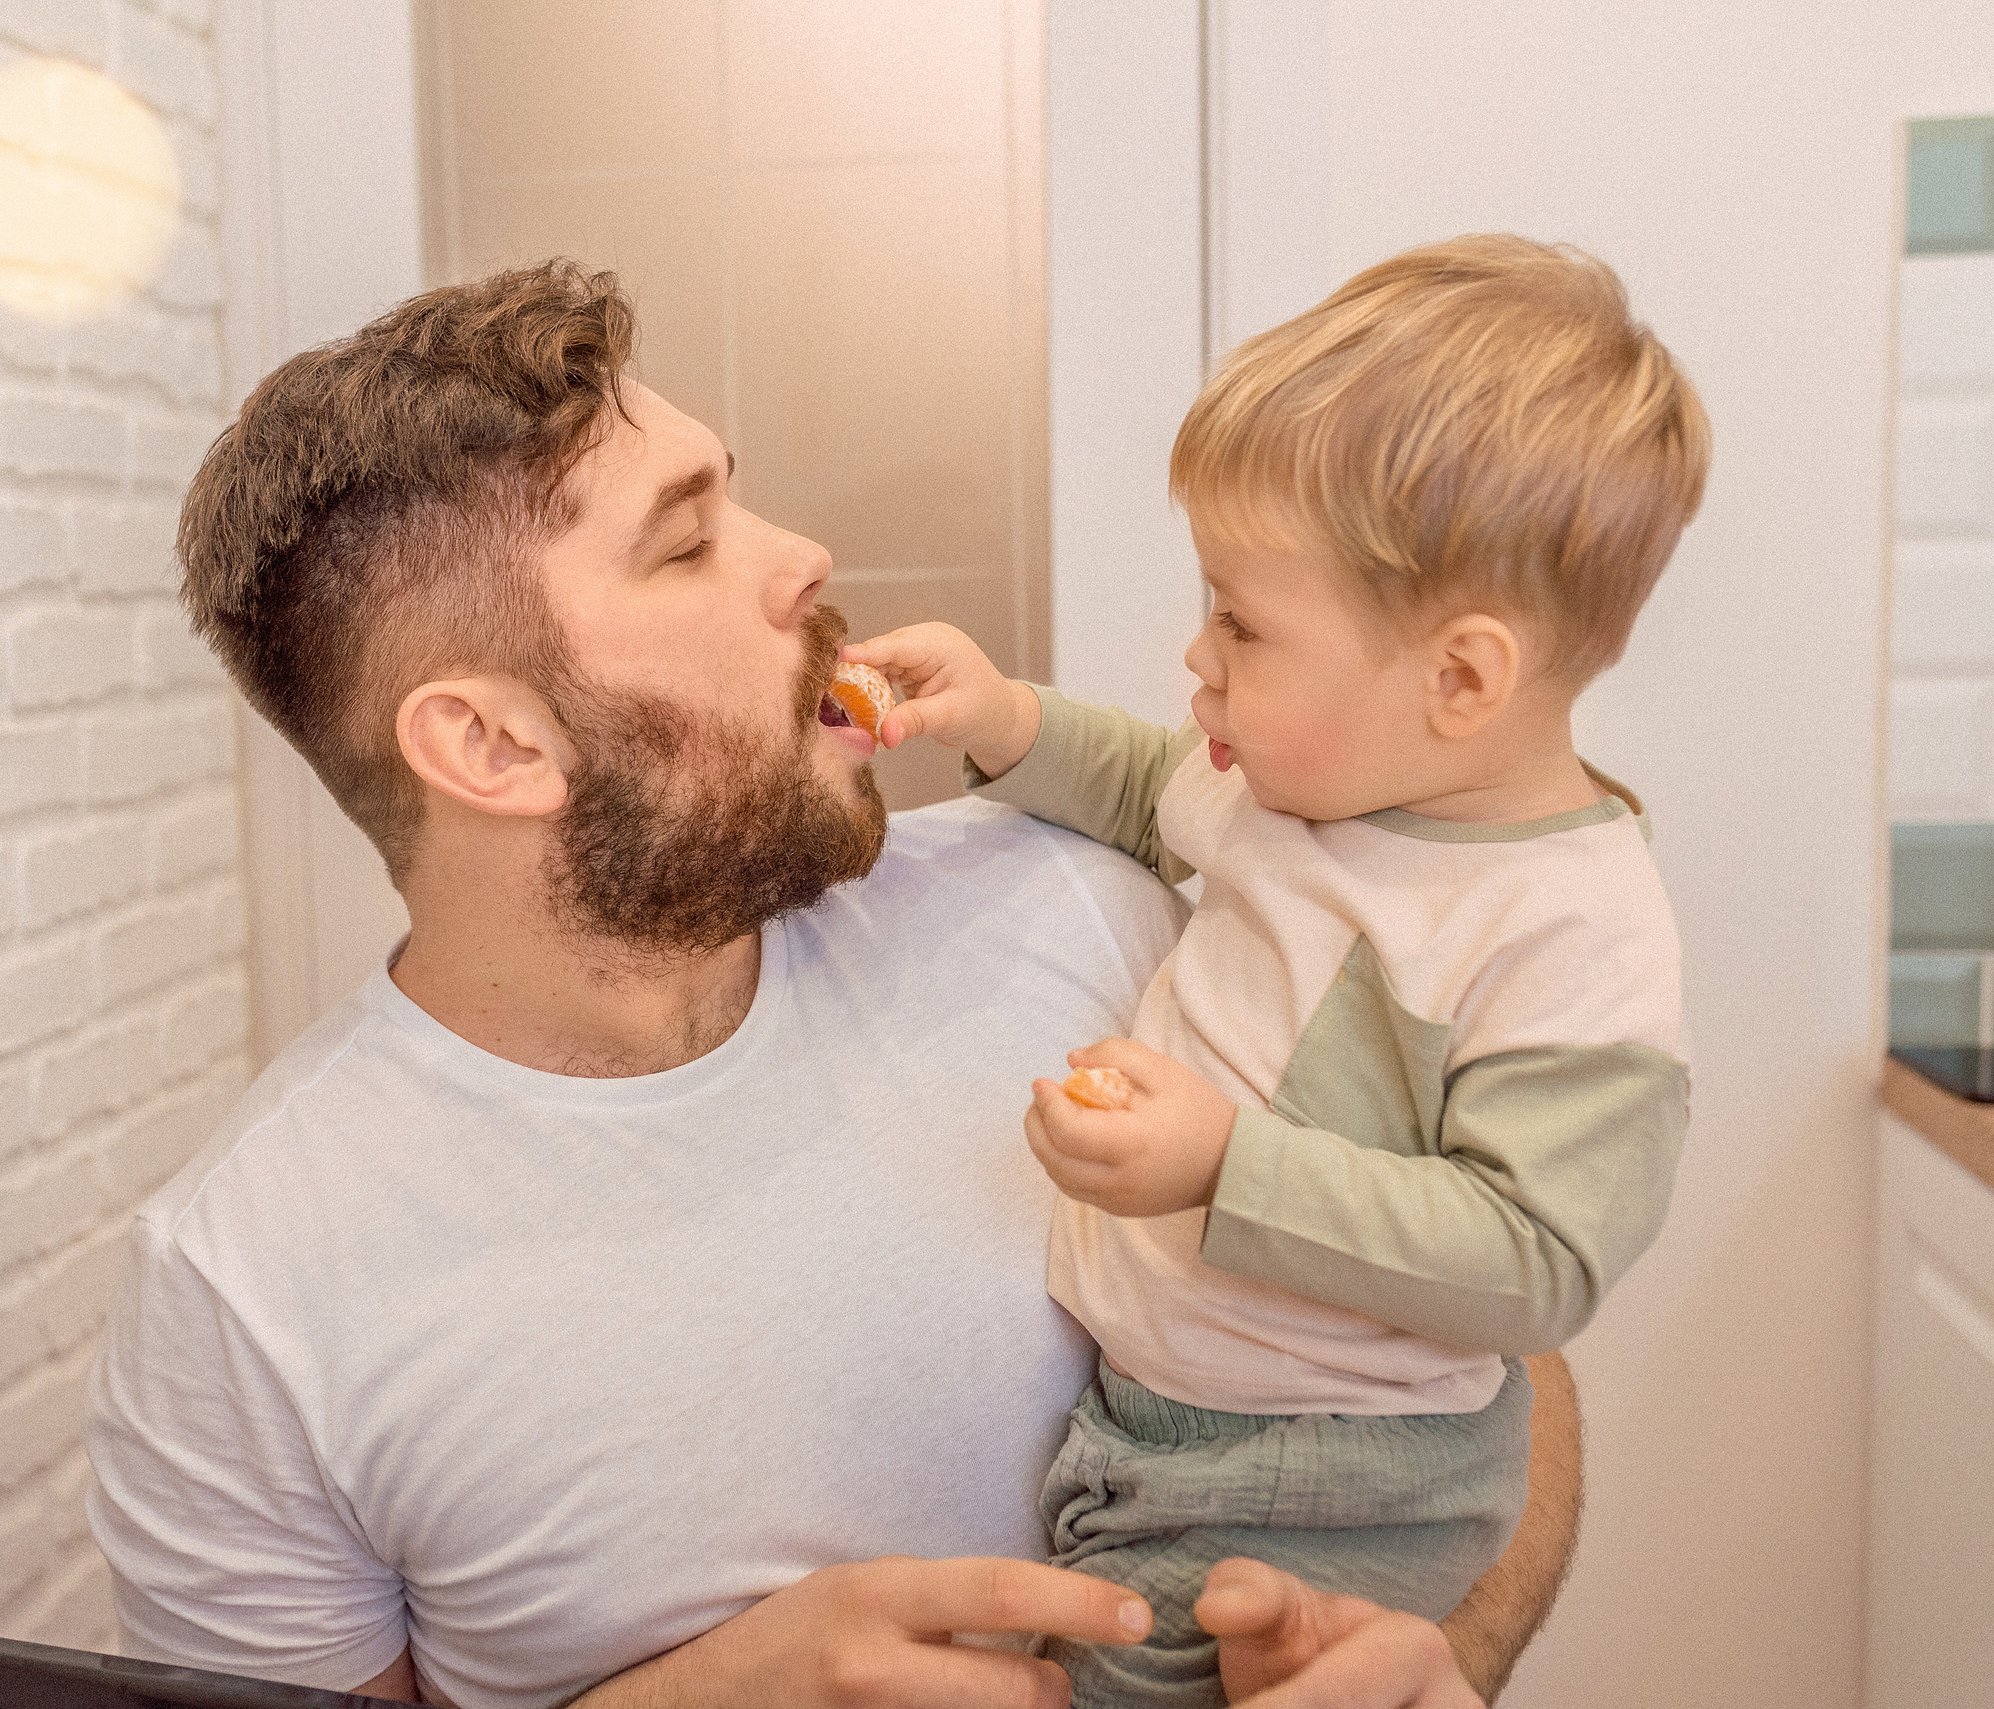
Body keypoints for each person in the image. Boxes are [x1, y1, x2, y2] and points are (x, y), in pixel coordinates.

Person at [84, 260, 1582, 1709]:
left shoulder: (1092, 916)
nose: (796, 554)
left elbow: (1494, 1365)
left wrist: (1441, 1650)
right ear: (492, 745)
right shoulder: (240, 1301)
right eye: (686, 541)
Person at [846, 235, 1702, 1705]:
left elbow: (1538, 1260)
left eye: (1243, 619)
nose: (1200, 652)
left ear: (1462, 678)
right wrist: (998, 717)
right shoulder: (1299, 792)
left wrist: (1222, 1164)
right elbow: (1143, 780)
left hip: (1334, 1476)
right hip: (1175, 1429)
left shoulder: (1570, 933)